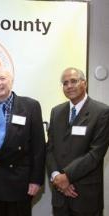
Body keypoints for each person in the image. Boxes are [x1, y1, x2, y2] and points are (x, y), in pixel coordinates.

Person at [0, 66, 46, 216]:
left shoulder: (30, 106)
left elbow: (39, 147)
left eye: (3, 78)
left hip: (19, 182)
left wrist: (36, 180)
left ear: (11, 81)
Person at [46, 67, 109, 216]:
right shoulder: (56, 112)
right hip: (60, 196)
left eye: (73, 81)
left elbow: (96, 153)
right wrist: (56, 176)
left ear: (84, 83)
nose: (69, 86)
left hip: (85, 195)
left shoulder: (101, 112)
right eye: (65, 83)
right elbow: (50, 148)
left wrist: (66, 176)